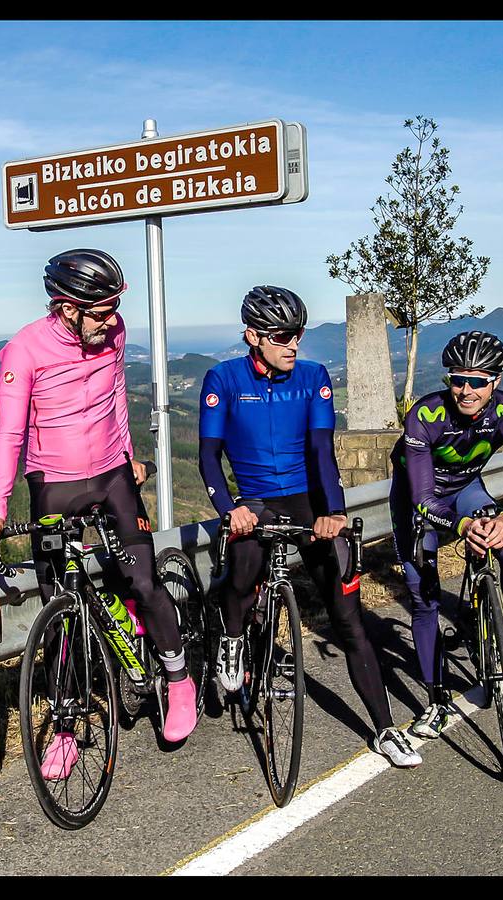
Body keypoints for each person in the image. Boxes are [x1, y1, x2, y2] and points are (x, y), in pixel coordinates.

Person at [0, 248, 197, 780]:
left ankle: (179, 677)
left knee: (142, 580)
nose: (111, 320)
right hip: (52, 484)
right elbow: (9, 435)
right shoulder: (24, 351)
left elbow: (116, 396)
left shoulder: (111, 333)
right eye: (99, 310)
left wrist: (129, 457)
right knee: (61, 614)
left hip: (113, 475)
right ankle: (67, 729)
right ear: (65, 306)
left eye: (116, 307)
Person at [199, 285, 421, 768]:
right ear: (252, 336)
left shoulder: (313, 377)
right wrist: (228, 509)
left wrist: (334, 512)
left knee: (348, 617)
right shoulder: (223, 378)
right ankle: (233, 638)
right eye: (280, 336)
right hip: (253, 498)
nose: (292, 344)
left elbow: (323, 453)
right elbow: (208, 456)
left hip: (306, 498)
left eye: (296, 334)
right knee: (243, 567)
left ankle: (385, 729)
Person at [391, 330, 503, 741]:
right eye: (458, 379)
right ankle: (437, 699)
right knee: (424, 599)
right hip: (416, 499)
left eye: (478, 381)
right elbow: (422, 498)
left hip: (465, 491)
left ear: (495, 381)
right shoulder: (426, 416)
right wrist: (463, 527)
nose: (466, 390)